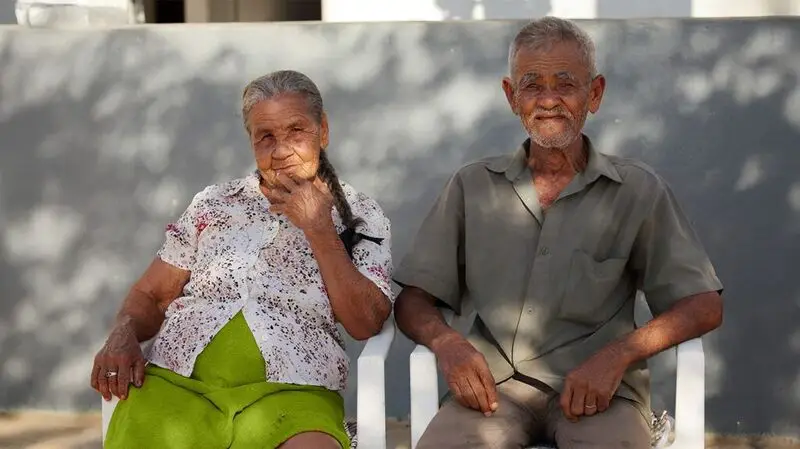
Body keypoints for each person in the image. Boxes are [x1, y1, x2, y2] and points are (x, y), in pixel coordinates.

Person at [393, 17, 723, 449]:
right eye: (532, 85)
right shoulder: (471, 186)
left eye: (566, 84)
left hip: (599, 395)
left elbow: (703, 305)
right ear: (512, 97)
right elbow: (413, 300)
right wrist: (448, 344)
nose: (548, 100)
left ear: (595, 94)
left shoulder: (638, 190)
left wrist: (619, 354)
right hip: (493, 391)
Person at [90, 70, 393, 449]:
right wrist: (123, 332)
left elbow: (367, 322)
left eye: (296, 131)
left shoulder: (359, 214)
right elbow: (151, 295)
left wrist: (319, 229)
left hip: (293, 394)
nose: (281, 150)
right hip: (179, 385)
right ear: (251, 142)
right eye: (266, 136)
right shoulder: (213, 204)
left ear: (323, 130)